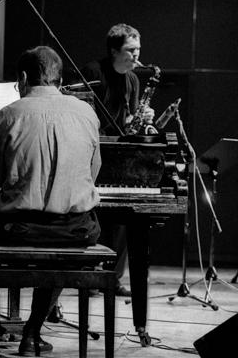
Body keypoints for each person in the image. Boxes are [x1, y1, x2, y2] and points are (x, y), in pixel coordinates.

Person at [0, 46, 102, 356]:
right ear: (59, 78)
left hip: (20, 228)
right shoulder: (87, 113)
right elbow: (93, 171)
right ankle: (32, 333)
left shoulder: (7, 116)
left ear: (22, 78)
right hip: (76, 229)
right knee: (60, 249)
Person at [81, 23, 156, 297]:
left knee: (126, 215)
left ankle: (113, 276)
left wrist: (141, 118)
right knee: (92, 214)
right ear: (114, 50)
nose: (136, 56)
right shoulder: (93, 72)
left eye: (138, 50)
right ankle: (89, 272)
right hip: (91, 152)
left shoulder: (133, 80)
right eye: (130, 50)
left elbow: (127, 123)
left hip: (118, 154)